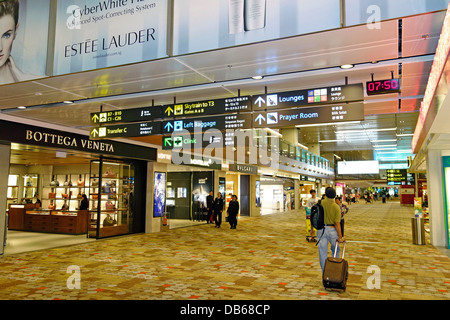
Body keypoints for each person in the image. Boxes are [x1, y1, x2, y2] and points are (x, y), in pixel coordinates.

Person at [0, 0, 40, 84]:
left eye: (6, 35)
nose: (0, 48)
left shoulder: (33, 82)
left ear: (16, 30)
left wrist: (24, 78)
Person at [317, 187, 344, 272]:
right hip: (332, 230)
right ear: (335, 196)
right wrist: (340, 236)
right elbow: (337, 223)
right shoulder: (336, 207)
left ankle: (324, 273)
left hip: (321, 230)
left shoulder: (319, 203)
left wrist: (311, 229)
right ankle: (334, 270)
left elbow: (315, 216)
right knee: (336, 250)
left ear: (326, 194)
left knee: (322, 252)